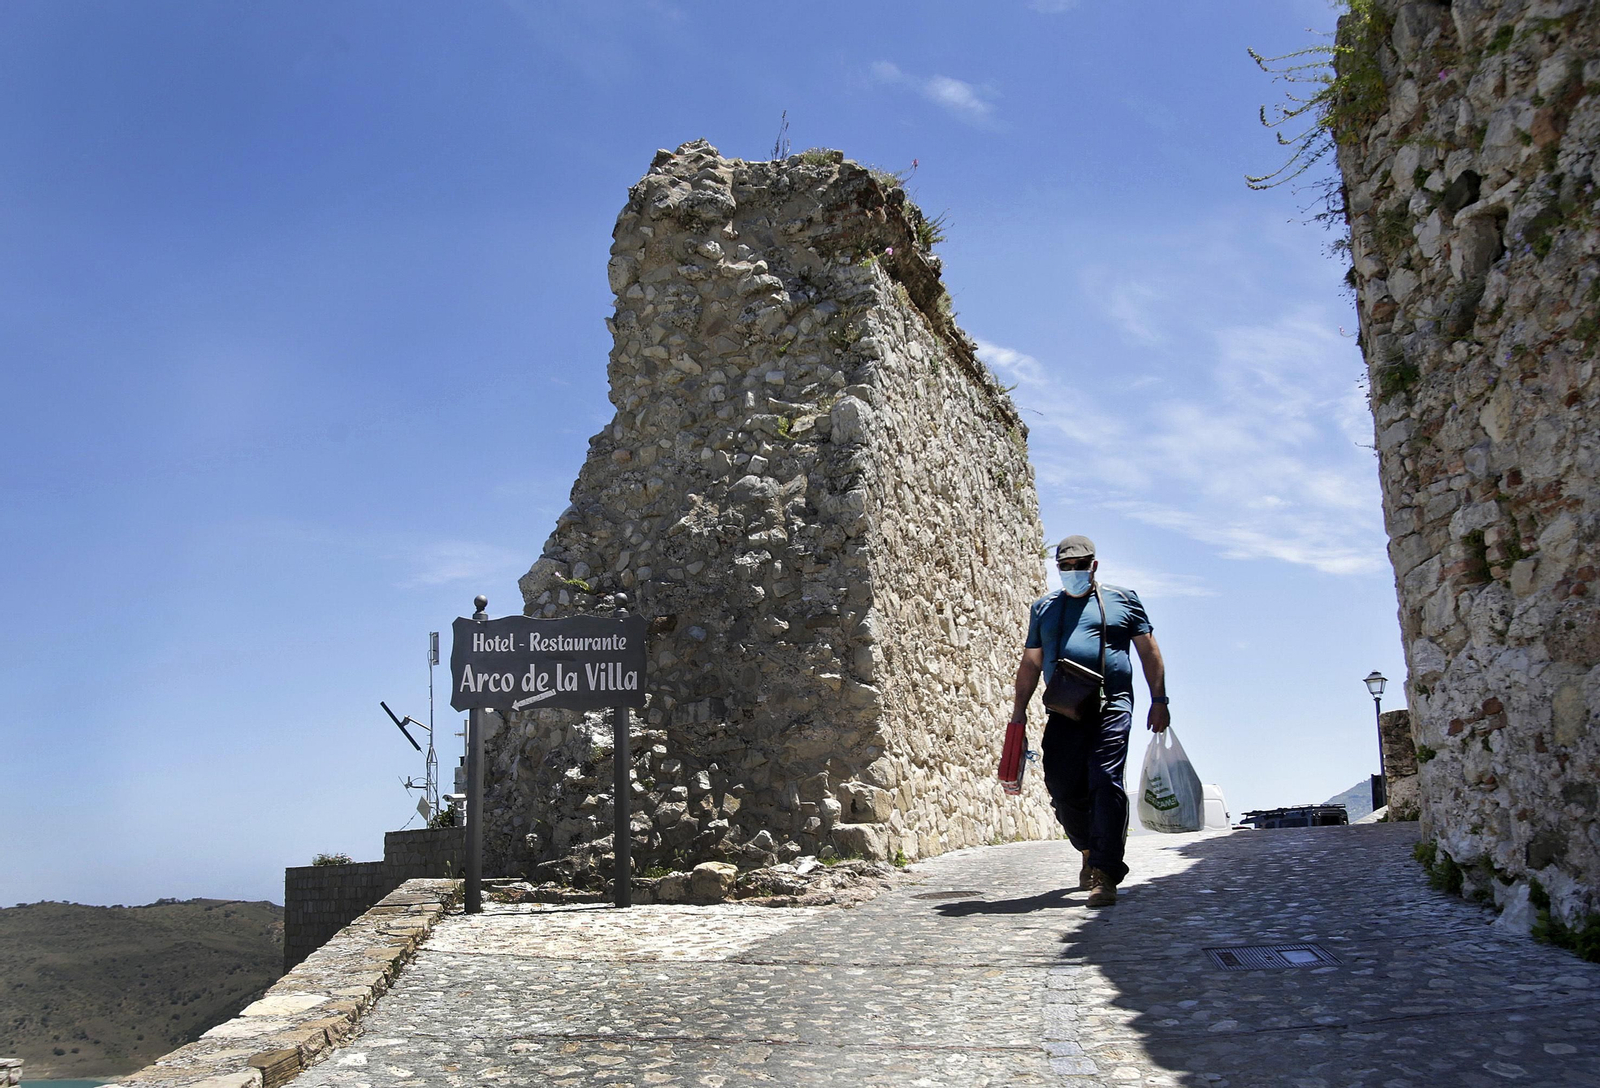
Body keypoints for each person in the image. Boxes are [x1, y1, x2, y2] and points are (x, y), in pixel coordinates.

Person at [1009, 535, 1169, 907]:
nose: (1072, 571)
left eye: (1079, 565)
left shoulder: (1123, 600)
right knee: (1062, 787)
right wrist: (1018, 712)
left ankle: (1105, 872)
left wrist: (1159, 700)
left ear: (1093, 566)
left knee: (1105, 780)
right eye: (1065, 566)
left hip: (1112, 706)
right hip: (1064, 709)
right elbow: (1031, 663)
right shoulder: (1044, 609)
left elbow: (1148, 651)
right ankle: (1087, 849)